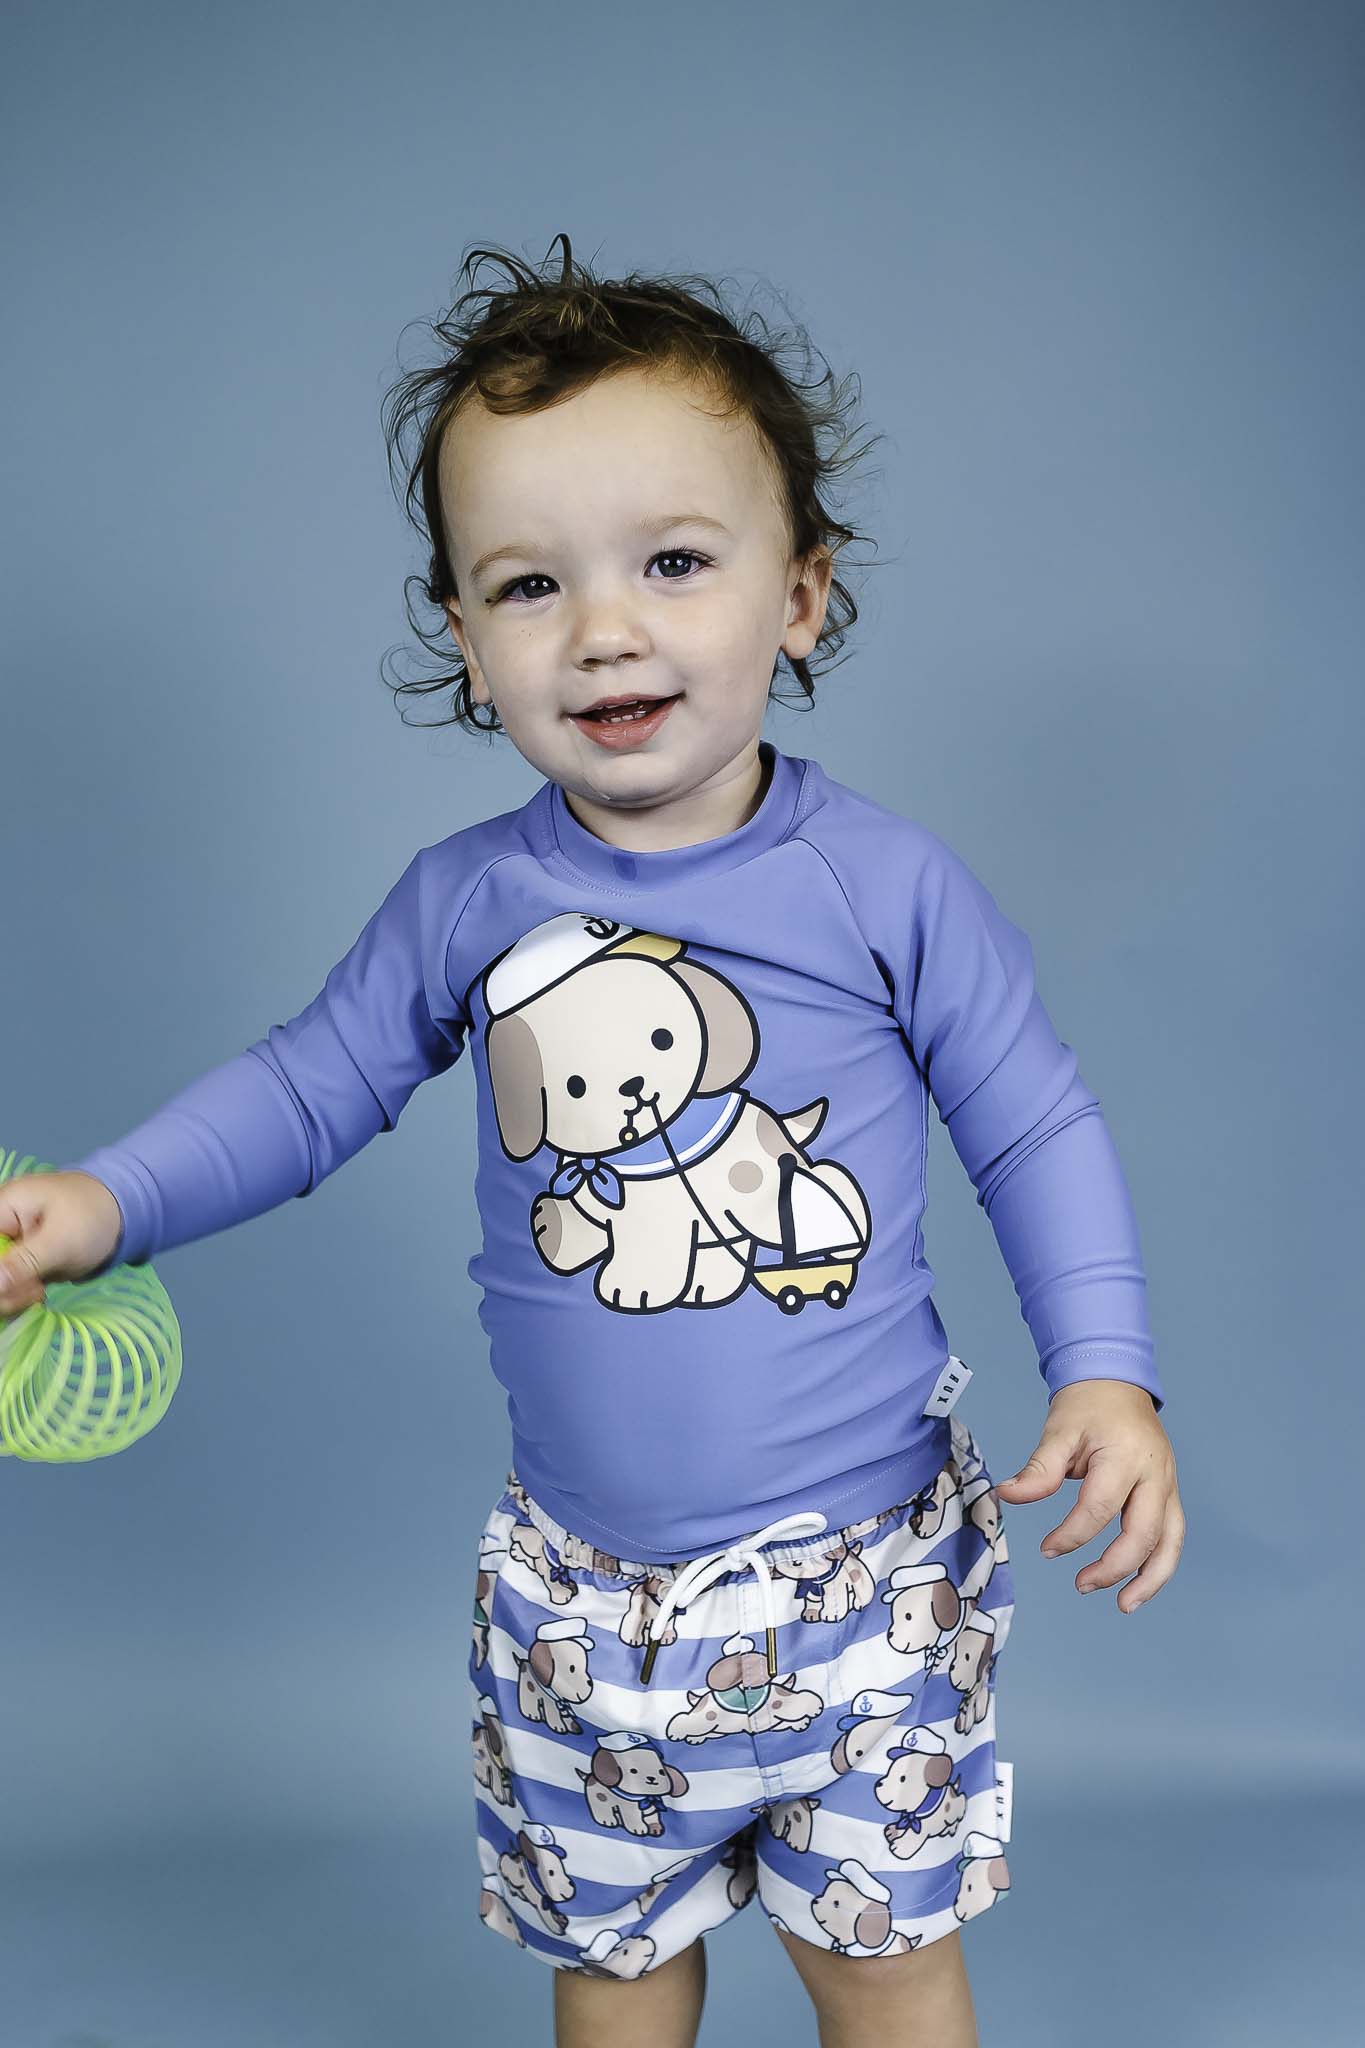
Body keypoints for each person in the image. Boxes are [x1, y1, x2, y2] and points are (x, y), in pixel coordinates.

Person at [0, 234, 1184, 2048]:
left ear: (801, 595)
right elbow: (309, 1088)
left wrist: (1104, 1368)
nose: (604, 628)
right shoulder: (466, 899)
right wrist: (107, 1200)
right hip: (580, 1590)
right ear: (465, 644)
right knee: (615, 1966)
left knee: (883, 1967)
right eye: (530, 584)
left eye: (673, 563)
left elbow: (1031, 1124)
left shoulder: (878, 885)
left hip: (860, 1583)